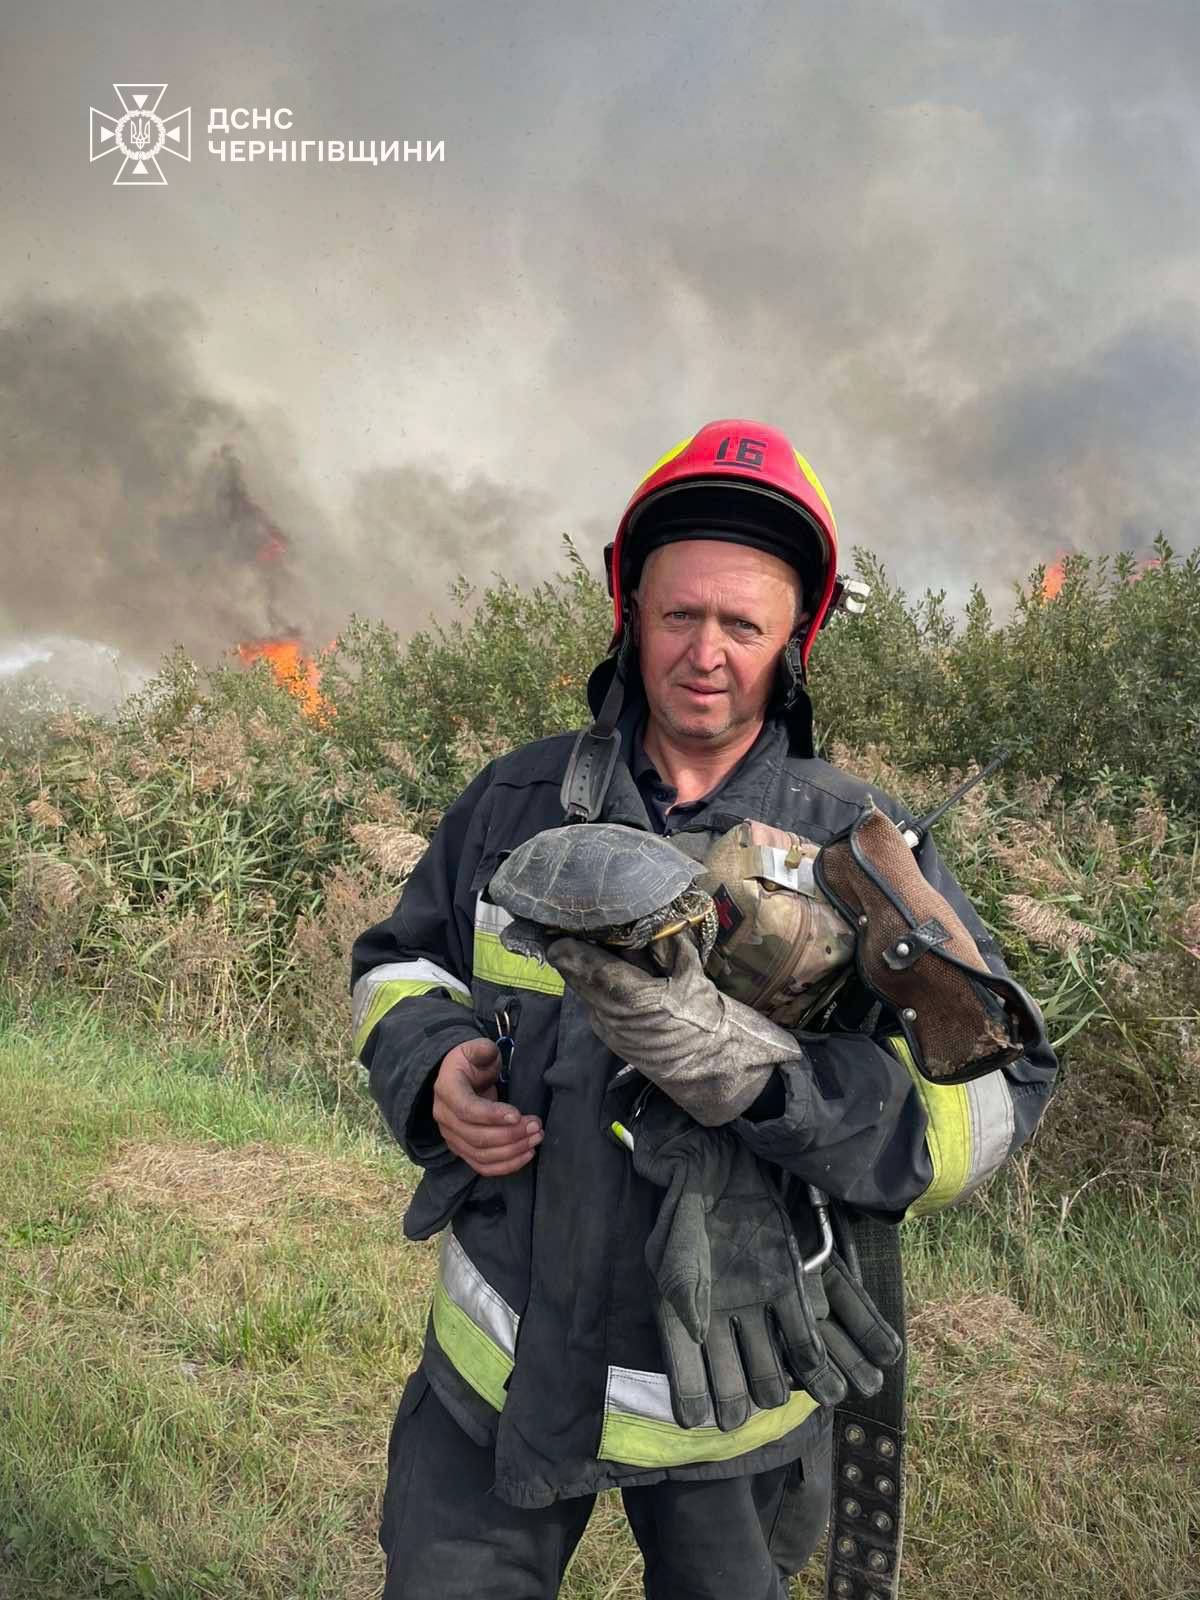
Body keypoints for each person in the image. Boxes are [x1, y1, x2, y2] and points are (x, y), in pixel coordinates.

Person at [351, 419, 1058, 1600]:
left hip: (733, 1398)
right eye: (681, 615)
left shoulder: (861, 850)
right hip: (505, 1366)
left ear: (795, 640)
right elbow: (398, 962)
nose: (707, 653)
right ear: (634, 614)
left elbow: (1000, 1094)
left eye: (744, 623)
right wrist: (435, 1064)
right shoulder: (517, 799)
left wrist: (778, 1089)